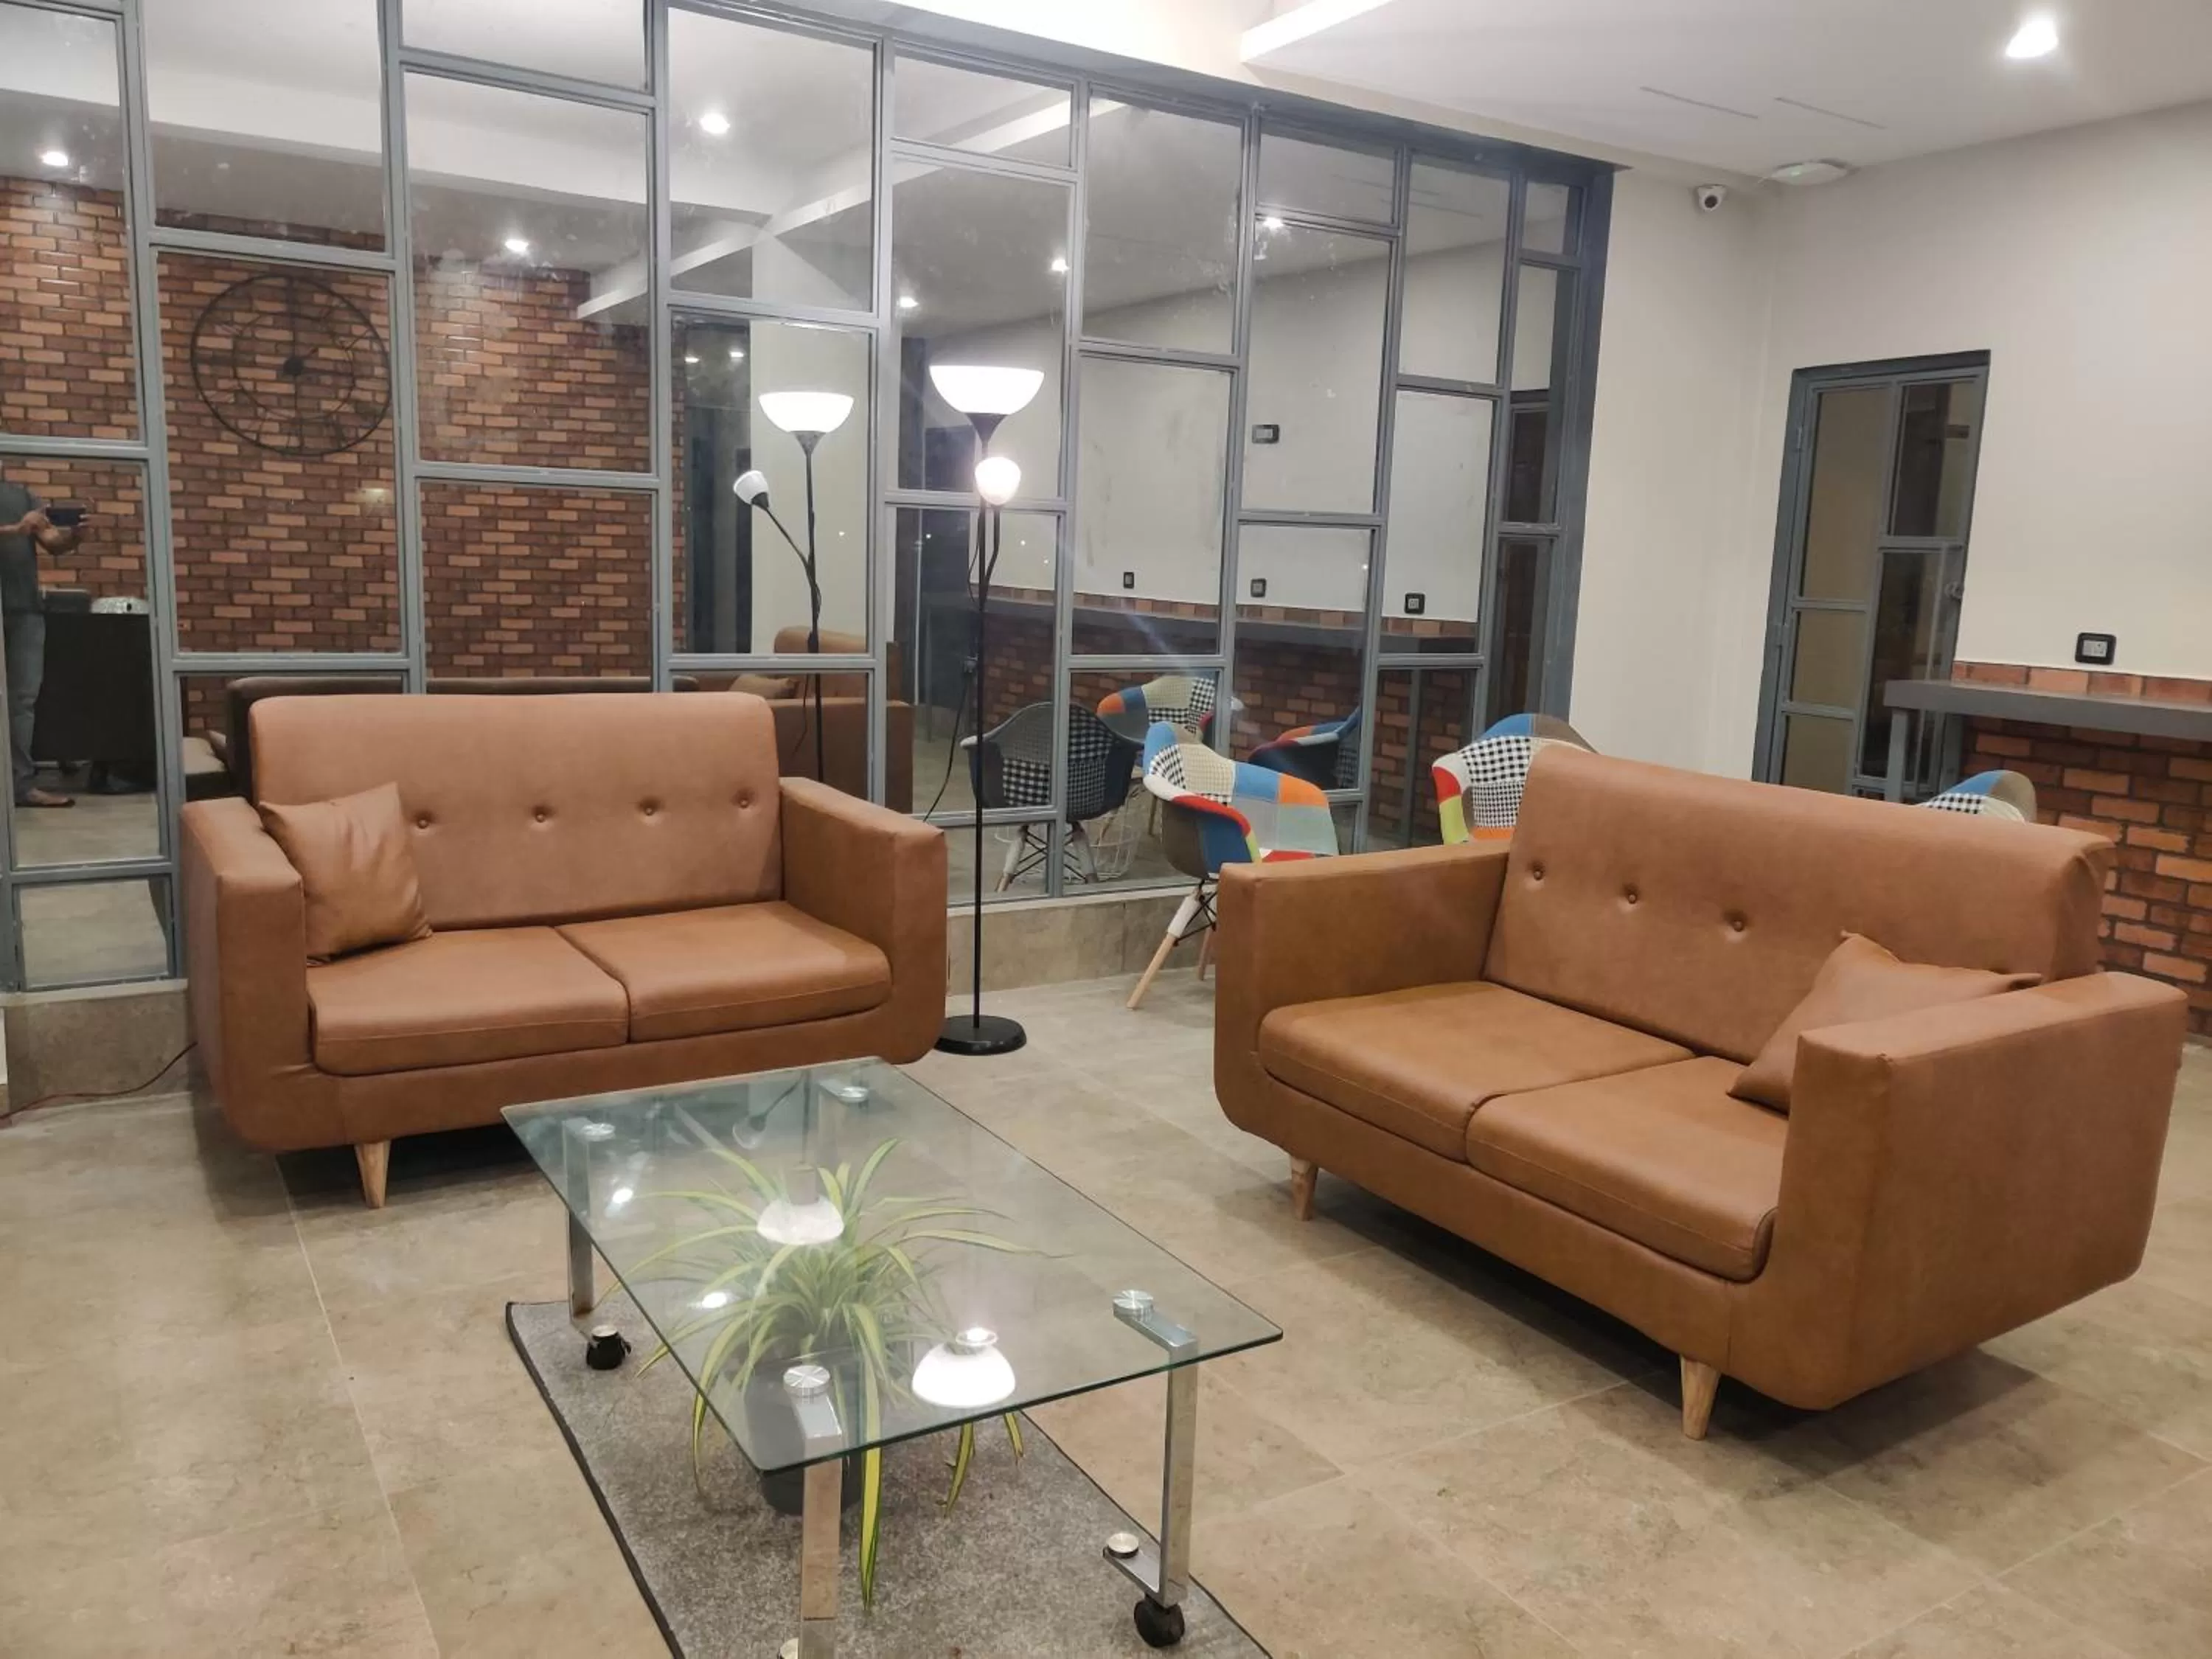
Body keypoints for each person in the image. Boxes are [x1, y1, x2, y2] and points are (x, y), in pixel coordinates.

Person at [0, 469, 83, 808]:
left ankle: (21, 788)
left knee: (22, 703)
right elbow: (20, 532)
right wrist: (14, 530)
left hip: (24, 610)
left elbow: (53, 543)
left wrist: (76, 535)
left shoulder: (23, 496)